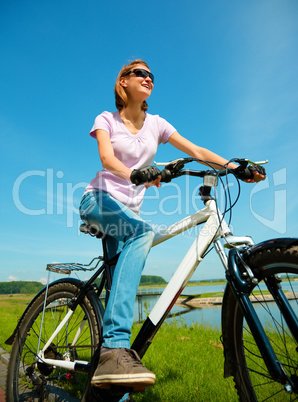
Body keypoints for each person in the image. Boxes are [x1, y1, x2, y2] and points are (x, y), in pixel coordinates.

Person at [79, 59, 265, 392]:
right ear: (122, 83)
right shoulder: (106, 119)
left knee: (122, 272)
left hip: (128, 215)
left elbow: (195, 150)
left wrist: (236, 166)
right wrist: (134, 174)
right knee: (144, 232)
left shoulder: (157, 124)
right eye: (140, 73)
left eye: (152, 75)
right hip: (99, 200)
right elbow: (107, 159)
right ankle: (114, 348)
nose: (148, 78)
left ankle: (111, 380)